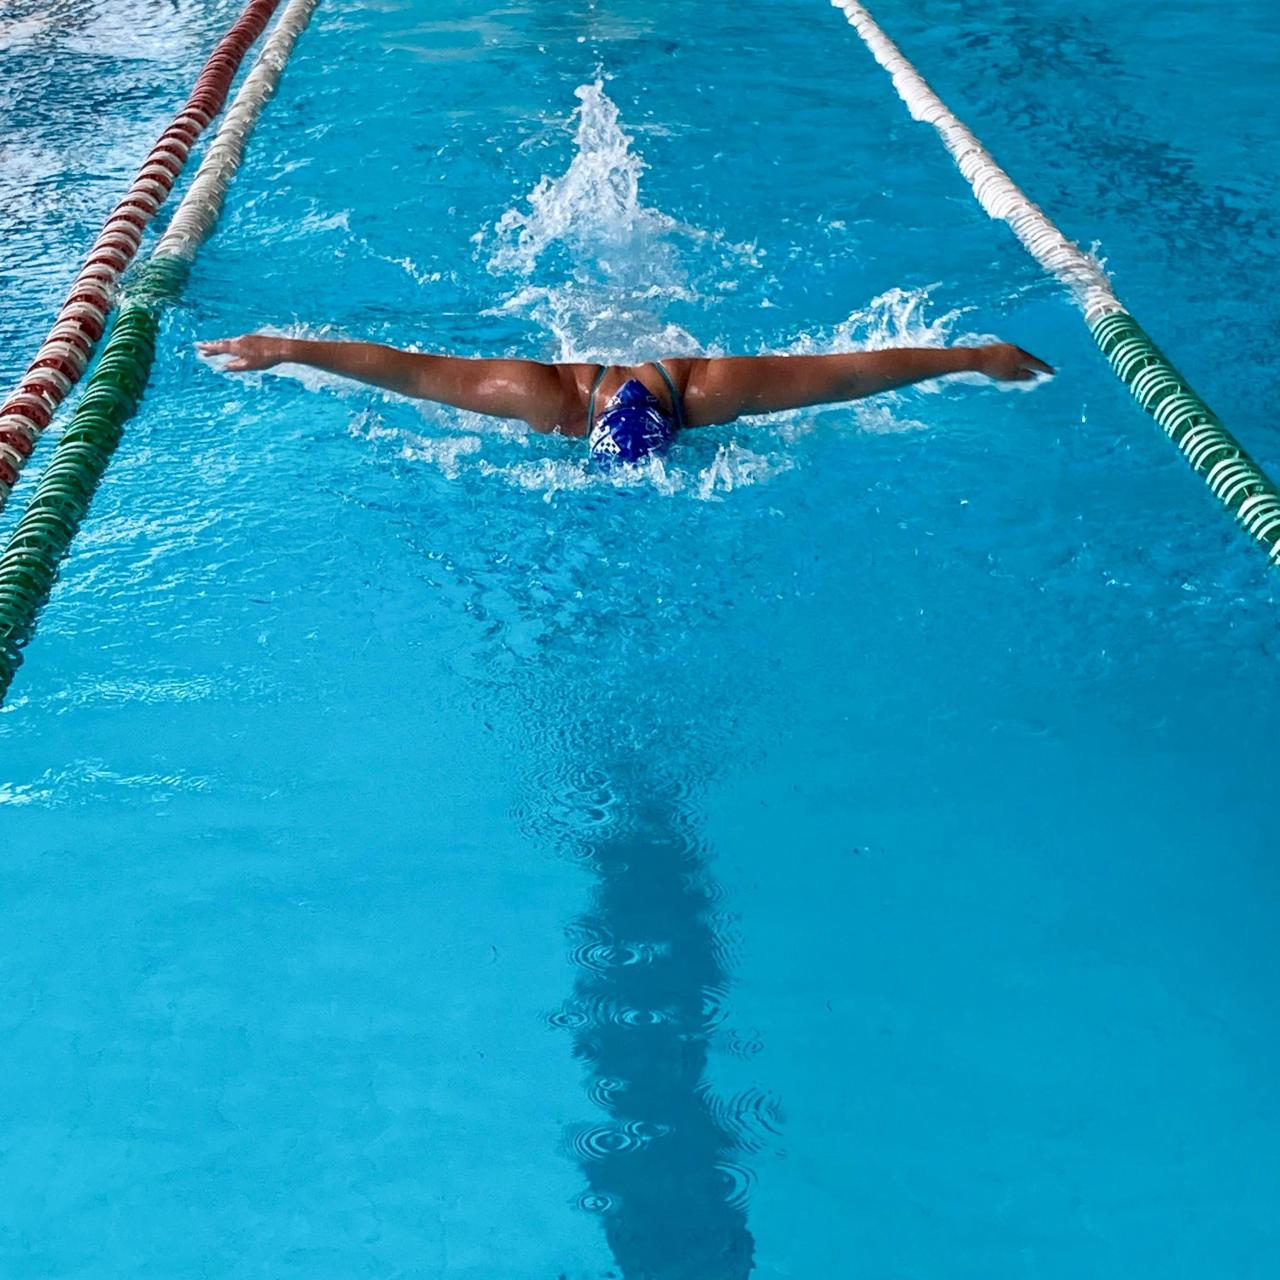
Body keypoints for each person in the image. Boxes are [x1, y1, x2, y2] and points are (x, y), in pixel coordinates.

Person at [197, 334, 1053, 465]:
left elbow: (844, 374)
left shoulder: (707, 392)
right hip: (589, 379)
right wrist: (285, 350)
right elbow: (408, 369)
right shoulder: (537, 399)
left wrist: (969, 358)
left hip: (656, 381)